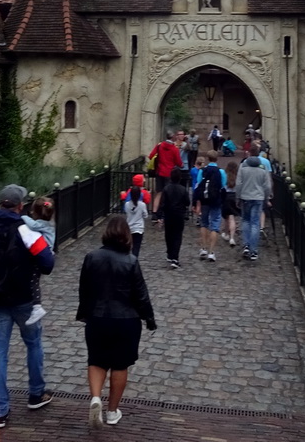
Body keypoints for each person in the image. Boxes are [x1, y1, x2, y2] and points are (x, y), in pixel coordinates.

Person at [0, 184, 56, 428]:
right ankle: (36, 393)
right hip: (23, 300)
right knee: (33, 344)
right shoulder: (24, 230)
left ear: (0, 204)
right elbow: (47, 263)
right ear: (21, 206)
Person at [77, 215, 156, 428]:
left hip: (98, 317)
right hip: (126, 320)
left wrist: (85, 313)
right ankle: (112, 411)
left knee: (96, 360)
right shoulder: (131, 261)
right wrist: (149, 317)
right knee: (120, 365)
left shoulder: (91, 257)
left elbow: (84, 289)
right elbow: (141, 294)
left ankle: (95, 398)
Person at [21, 196, 56, 326]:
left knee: (33, 280)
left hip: (42, 254)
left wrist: (23, 217)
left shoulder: (41, 224)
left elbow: (33, 225)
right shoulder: (50, 223)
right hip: (46, 253)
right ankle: (35, 305)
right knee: (34, 279)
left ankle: (37, 306)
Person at [236, 155, 273, 261]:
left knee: (246, 221)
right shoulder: (263, 168)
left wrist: (238, 197)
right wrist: (266, 198)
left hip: (245, 197)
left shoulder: (243, 166)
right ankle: (254, 250)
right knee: (255, 223)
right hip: (258, 198)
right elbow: (267, 186)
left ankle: (246, 245)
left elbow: (238, 184)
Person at [194, 151, 223, 261]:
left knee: (204, 223)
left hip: (204, 200)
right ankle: (211, 252)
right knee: (215, 225)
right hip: (215, 201)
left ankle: (203, 248)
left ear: (207, 158)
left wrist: (197, 202)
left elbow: (198, 185)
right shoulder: (220, 172)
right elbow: (223, 187)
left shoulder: (203, 171)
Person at [148, 132, 183, 222]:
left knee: (159, 193)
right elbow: (179, 162)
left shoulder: (159, 146)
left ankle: (155, 214)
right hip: (169, 173)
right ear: (173, 138)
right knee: (168, 194)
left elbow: (151, 156)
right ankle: (164, 214)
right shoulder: (174, 149)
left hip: (159, 172)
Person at [161, 166, 191, 269]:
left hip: (169, 214)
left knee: (168, 234)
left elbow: (163, 203)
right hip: (179, 215)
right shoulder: (182, 189)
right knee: (177, 236)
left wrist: (161, 215)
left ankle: (170, 253)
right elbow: (187, 202)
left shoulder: (166, 188)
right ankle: (175, 257)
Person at [123, 179, 149, 257]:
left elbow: (126, 212)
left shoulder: (127, 204)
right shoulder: (142, 205)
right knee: (136, 247)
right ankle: (134, 261)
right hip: (139, 228)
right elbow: (145, 215)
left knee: (128, 246)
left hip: (129, 228)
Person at [220, 159, 240, 247]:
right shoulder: (238, 176)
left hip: (226, 196)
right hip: (234, 197)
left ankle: (227, 234)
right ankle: (231, 237)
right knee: (232, 217)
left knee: (226, 217)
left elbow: (222, 186)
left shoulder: (224, 175)